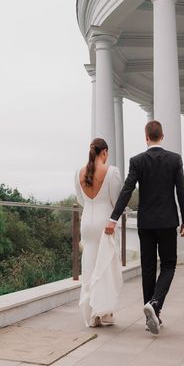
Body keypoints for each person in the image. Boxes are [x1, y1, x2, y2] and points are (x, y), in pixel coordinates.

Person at [105, 121, 184, 335]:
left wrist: (114, 217)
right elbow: (182, 192)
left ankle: (150, 317)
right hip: (168, 222)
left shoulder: (137, 161)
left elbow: (127, 190)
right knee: (169, 265)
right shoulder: (174, 160)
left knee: (149, 268)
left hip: (146, 223)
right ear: (162, 135)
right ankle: (154, 304)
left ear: (146, 137)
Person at [74, 138, 124, 327]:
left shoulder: (79, 173)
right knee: (106, 267)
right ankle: (105, 312)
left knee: (89, 266)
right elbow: (116, 200)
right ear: (104, 152)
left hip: (87, 222)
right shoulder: (111, 172)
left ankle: (91, 315)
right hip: (105, 222)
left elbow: (81, 199)